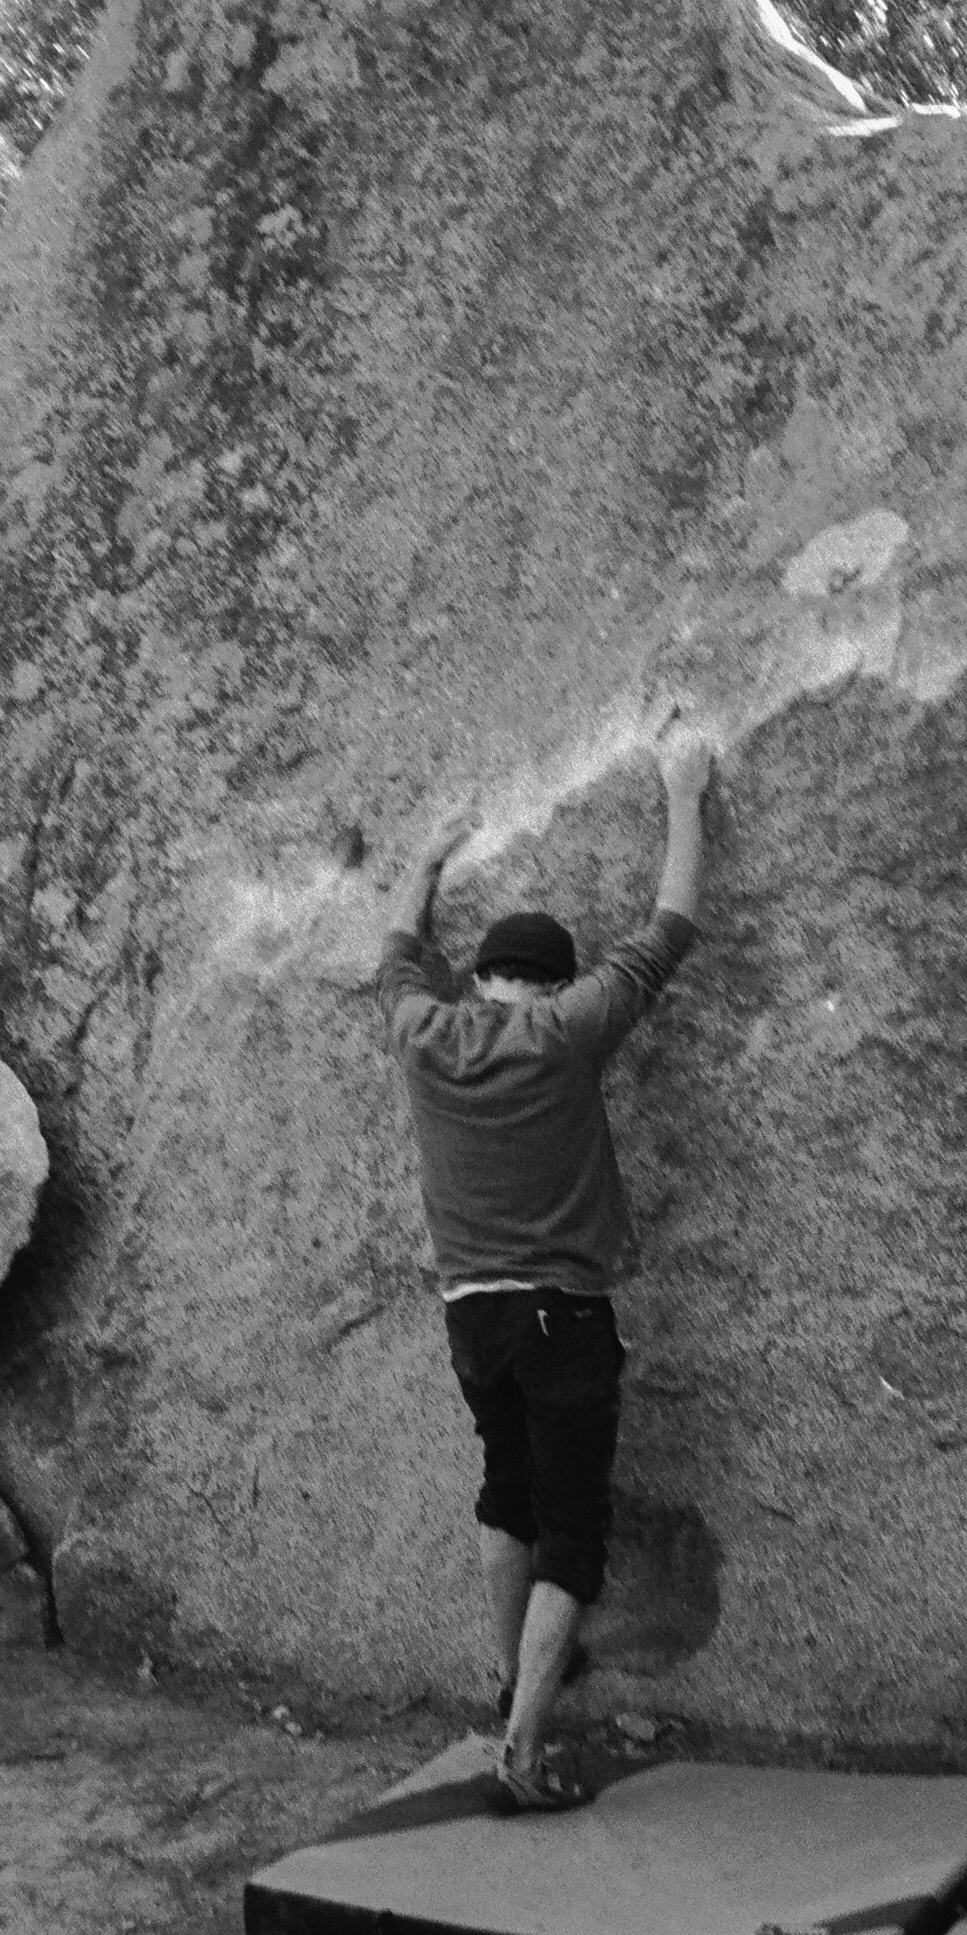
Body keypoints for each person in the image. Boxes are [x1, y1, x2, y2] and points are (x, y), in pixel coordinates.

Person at [378, 725, 713, 1811]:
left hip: (469, 1316)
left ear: (481, 980)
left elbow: (393, 950)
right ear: (555, 982)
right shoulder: (570, 1030)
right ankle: (521, 1750)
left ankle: (509, 1670)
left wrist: (425, 868)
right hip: (562, 1316)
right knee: (573, 1530)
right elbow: (669, 927)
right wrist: (680, 792)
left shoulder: (426, 1030)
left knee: (506, 1494)